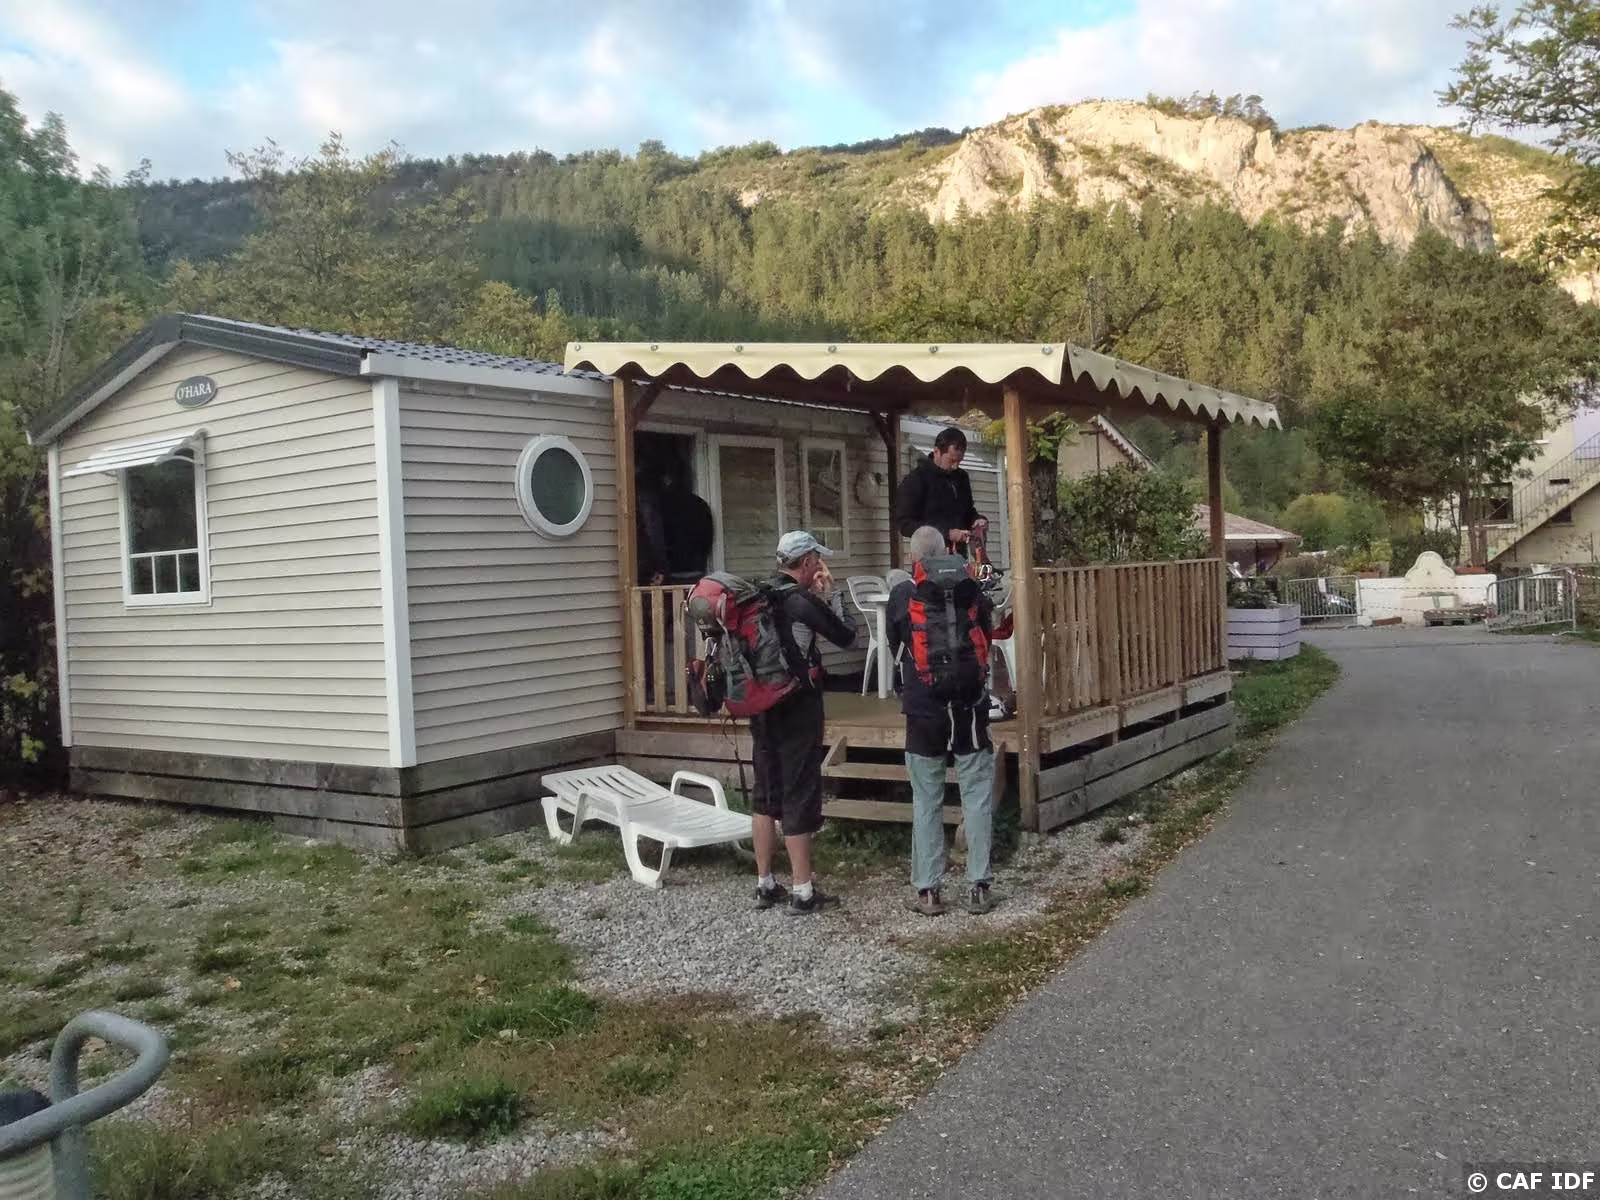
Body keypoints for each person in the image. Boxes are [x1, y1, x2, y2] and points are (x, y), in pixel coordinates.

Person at [886, 525, 998, 916]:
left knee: (926, 798)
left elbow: (896, 644)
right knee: (977, 795)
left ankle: (929, 891)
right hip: (969, 704)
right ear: (946, 551)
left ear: (914, 557)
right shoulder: (971, 588)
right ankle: (978, 886)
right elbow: (988, 634)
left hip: (923, 708)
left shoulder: (903, 594)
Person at [750, 530, 858, 916]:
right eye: (817, 560)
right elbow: (847, 636)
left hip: (762, 705)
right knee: (798, 791)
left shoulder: (758, 596)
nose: (819, 565)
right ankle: (803, 892)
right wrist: (833, 594)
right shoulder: (801, 601)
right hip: (798, 706)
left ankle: (765, 884)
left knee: (765, 795)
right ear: (809, 561)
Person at [894, 426, 989, 557]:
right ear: (937, 451)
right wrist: (946, 533)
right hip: (929, 558)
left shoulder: (962, 477)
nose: (955, 466)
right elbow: (905, 524)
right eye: (952, 460)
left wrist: (977, 519)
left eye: (959, 461)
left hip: (959, 557)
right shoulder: (916, 479)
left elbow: (967, 511)